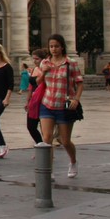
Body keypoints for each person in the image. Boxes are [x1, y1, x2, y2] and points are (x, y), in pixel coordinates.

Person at [38, 34, 84, 178]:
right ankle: (49, 170)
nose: (54, 49)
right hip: (47, 104)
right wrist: (43, 72)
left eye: (56, 46)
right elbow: (38, 82)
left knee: (65, 141)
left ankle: (73, 161)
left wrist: (76, 99)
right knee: (47, 138)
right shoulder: (45, 62)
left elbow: (79, 83)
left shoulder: (71, 63)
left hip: (64, 106)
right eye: (51, 46)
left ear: (62, 47)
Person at [25, 48, 49, 146]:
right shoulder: (34, 69)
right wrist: (28, 101)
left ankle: (46, 146)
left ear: (43, 59)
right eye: (33, 59)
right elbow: (31, 87)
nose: (34, 61)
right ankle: (40, 144)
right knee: (31, 126)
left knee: (44, 127)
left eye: (37, 59)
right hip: (34, 100)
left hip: (43, 100)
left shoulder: (46, 70)